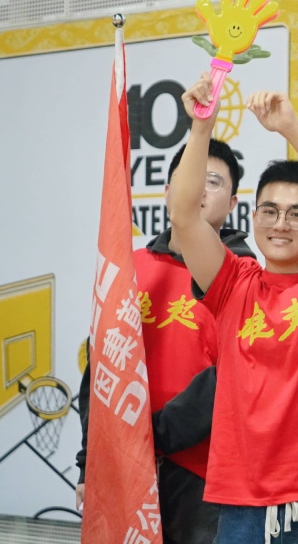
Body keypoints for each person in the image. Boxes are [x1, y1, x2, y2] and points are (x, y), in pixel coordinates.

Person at [170, 75, 298, 543]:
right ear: (253, 218)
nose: (280, 223)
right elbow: (184, 215)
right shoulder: (232, 285)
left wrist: (291, 128)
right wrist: (201, 127)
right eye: (269, 211)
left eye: (297, 213)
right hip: (241, 504)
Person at [75, 139, 253, 544]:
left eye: (213, 182)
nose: (199, 190)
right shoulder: (130, 267)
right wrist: (91, 462)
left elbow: (232, 374)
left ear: (232, 202)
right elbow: (100, 371)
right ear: (170, 191)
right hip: (123, 466)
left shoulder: (244, 275)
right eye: (190, 179)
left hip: (202, 475)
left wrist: (153, 436)